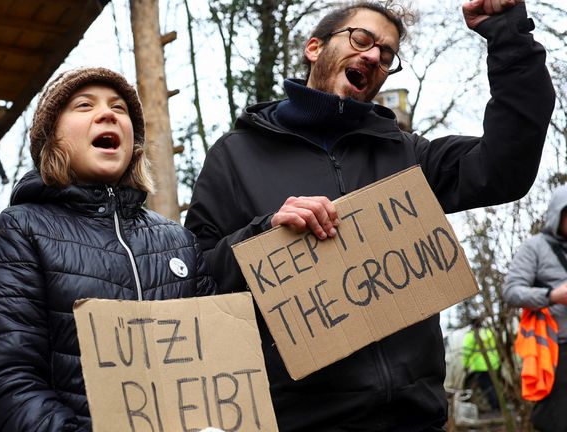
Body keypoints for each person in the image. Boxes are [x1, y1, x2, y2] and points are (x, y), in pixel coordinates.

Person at [185, 0, 555, 429]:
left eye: (387, 54)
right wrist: (263, 233)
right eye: (362, 39)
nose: (375, 56)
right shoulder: (235, 156)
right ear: (314, 48)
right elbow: (198, 280)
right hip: (302, 420)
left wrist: (508, 34)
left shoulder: (406, 153)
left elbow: (505, 167)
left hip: (416, 419)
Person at [0, 67, 217, 431]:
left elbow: (221, 360)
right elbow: (9, 377)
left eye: (119, 109)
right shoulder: (20, 230)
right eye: (84, 105)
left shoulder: (179, 242)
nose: (108, 115)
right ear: (51, 138)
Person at [504, 184, 567, 432]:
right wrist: (552, 295)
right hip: (555, 349)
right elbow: (510, 292)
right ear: (558, 214)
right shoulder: (535, 248)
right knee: (557, 420)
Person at [462, 318, 501, 412]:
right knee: (494, 385)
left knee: (486, 387)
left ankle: (495, 407)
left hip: (480, 366)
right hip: (494, 363)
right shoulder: (489, 332)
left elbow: (466, 352)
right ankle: (499, 405)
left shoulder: (471, 336)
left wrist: (466, 365)